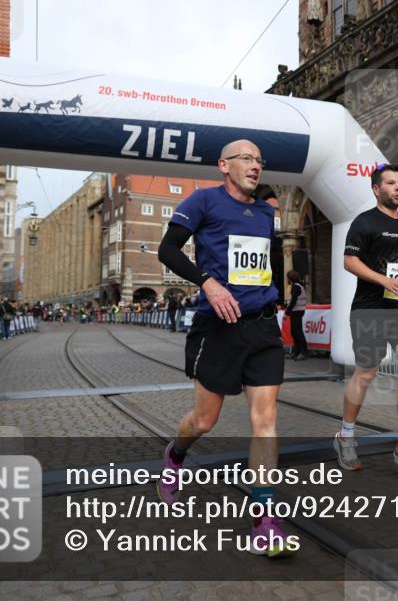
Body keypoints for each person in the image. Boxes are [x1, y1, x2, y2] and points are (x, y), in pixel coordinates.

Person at [156, 138, 295, 558]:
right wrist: (207, 282)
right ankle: (174, 456)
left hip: (262, 328)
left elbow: (271, 260)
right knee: (203, 421)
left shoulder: (269, 213)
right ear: (224, 165)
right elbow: (167, 250)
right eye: (246, 159)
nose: (255, 166)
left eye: (259, 160)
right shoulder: (202, 202)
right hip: (217, 329)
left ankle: (264, 519)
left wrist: (281, 295)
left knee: (265, 420)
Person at [335, 164, 398, 479]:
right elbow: (349, 261)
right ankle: (346, 436)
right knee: (366, 373)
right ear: (376, 189)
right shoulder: (364, 222)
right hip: (370, 308)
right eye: (391, 183)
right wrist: (382, 280)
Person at [285, 270, 309, 360]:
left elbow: (293, 301)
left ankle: (303, 352)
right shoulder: (298, 286)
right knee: (294, 332)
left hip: (297, 311)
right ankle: (297, 351)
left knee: (297, 332)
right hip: (298, 311)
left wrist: (287, 312)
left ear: (290, 278)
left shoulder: (295, 287)